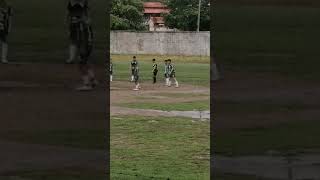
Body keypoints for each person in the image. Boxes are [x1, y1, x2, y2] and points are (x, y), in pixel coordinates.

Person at [66, 0, 97, 91]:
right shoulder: (84, 21)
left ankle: (87, 84)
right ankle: (93, 79)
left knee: (81, 63)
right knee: (86, 61)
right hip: (87, 43)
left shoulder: (82, 23)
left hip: (85, 44)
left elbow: (82, 35)